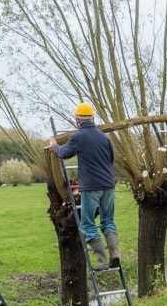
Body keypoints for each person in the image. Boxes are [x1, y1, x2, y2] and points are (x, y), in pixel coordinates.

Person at [49, 102, 119, 271]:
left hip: (91, 187)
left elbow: (64, 153)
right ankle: (115, 253)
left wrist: (54, 146)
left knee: (87, 224)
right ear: (93, 118)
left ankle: (102, 261)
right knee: (108, 221)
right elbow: (110, 160)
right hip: (108, 185)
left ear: (77, 120)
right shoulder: (105, 138)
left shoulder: (77, 137)